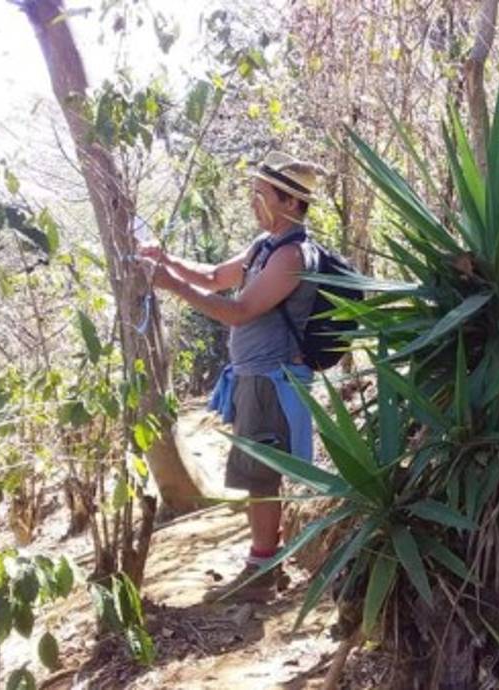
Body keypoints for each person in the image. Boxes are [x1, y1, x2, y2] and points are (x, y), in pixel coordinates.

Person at [141, 151, 323, 603]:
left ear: (290, 202)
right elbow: (215, 276)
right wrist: (165, 260)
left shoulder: (292, 255)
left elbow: (239, 310)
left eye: (260, 194)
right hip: (253, 377)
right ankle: (265, 561)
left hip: (273, 380)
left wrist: (169, 283)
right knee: (256, 475)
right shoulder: (264, 247)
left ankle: (262, 571)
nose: (252, 201)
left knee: (262, 477)